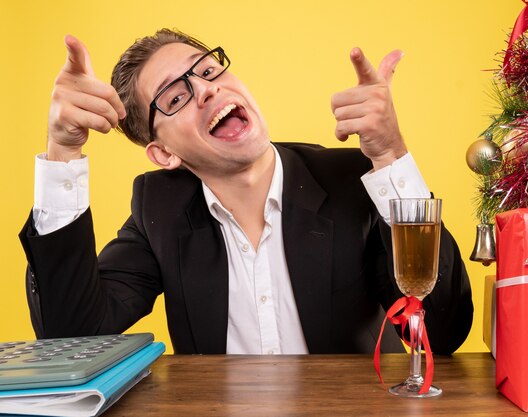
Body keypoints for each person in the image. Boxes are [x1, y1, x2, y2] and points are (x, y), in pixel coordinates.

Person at [19, 29, 473, 355]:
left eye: (208, 70)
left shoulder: (352, 182)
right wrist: (62, 151)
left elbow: (444, 330)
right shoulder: (159, 209)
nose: (205, 90)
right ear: (163, 155)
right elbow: (72, 335)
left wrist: (391, 156)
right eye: (175, 98)